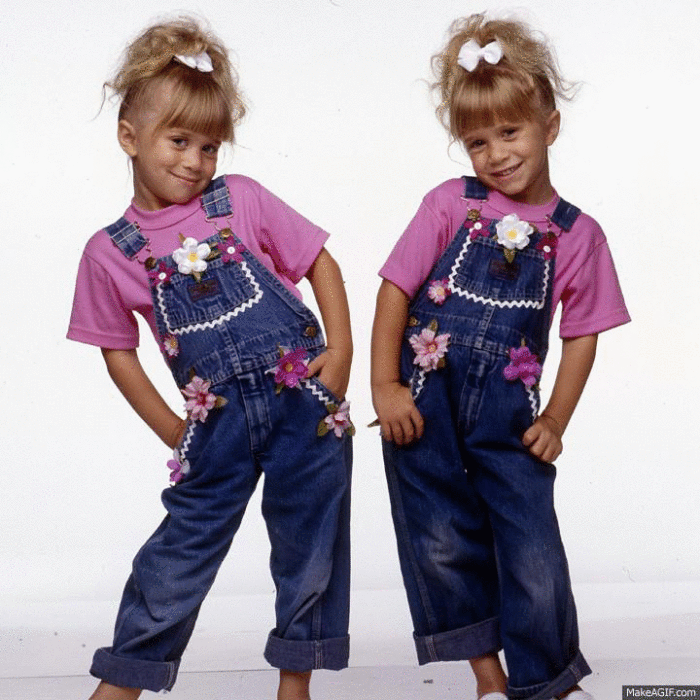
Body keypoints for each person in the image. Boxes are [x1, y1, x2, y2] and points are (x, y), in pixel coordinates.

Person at [67, 17, 353, 700]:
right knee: (179, 551)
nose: (195, 162)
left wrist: (340, 350)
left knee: (310, 543)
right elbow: (119, 355)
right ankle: (124, 682)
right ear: (129, 137)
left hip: (302, 406)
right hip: (214, 426)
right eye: (178, 141)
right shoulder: (111, 252)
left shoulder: (240, 200)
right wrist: (174, 430)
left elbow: (319, 261)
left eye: (209, 146)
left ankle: (295, 684)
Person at [370, 14, 629, 700]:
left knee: (531, 543)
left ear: (550, 125)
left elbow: (583, 334)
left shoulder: (578, 235)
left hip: (509, 415)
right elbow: (395, 289)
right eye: (477, 141)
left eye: (510, 132)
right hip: (421, 405)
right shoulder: (449, 204)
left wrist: (557, 419)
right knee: (440, 537)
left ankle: (549, 683)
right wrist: (385, 385)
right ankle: (489, 679)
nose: (495, 154)